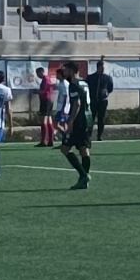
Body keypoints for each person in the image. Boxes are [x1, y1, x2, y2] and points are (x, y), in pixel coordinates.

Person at [57, 62, 95, 190]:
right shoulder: (84, 83)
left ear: (72, 71)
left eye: (66, 69)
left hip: (79, 120)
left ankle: (84, 175)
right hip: (88, 118)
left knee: (65, 148)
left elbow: (77, 104)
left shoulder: (73, 85)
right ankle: (84, 180)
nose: (64, 72)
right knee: (84, 149)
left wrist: (70, 122)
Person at [85, 60, 114, 141]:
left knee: (101, 119)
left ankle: (99, 135)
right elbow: (86, 88)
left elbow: (110, 88)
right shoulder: (91, 77)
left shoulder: (107, 78)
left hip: (102, 101)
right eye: (102, 67)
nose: (103, 69)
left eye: (104, 67)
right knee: (91, 119)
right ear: (98, 67)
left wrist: (106, 93)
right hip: (93, 101)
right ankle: (88, 135)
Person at [35, 66, 58, 148]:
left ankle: (44, 141)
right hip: (49, 100)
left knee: (43, 121)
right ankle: (50, 140)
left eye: (38, 73)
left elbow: (43, 91)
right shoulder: (47, 79)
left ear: (41, 72)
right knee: (49, 120)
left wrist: (36, 92)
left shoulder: (45, 79)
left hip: (45, 101)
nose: (37, 75)